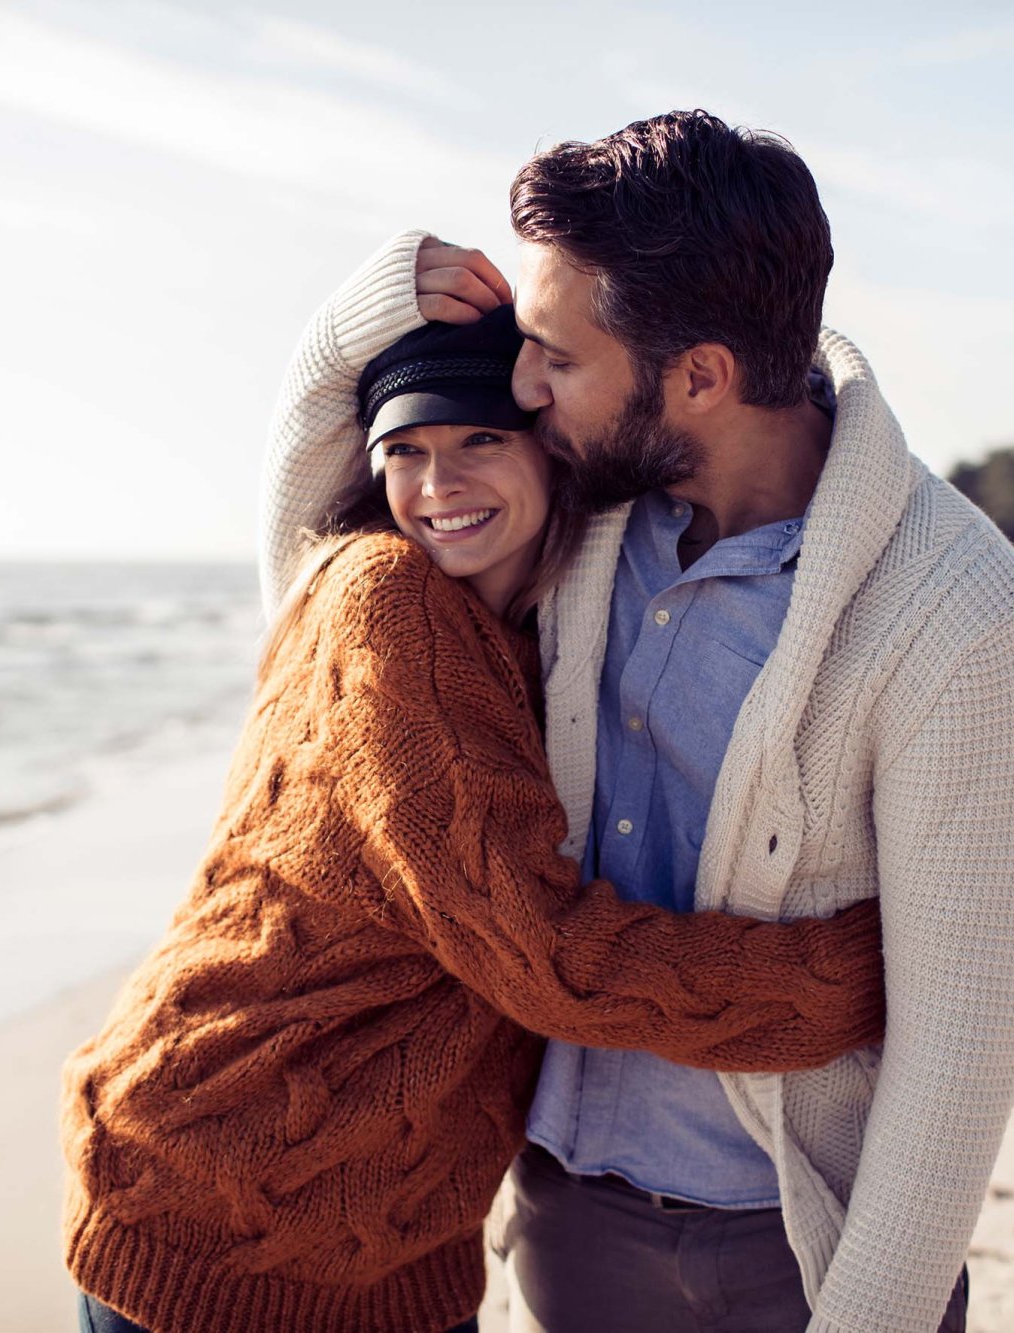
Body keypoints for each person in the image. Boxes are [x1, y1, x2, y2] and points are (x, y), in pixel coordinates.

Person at [263, 112, 1014, 1333]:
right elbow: (320, 608)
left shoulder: (957, 616)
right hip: (567, 1218)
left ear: (698, 374)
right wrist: (334, 349)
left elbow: (962, 1047)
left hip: (798, 1249)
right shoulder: (570, 518)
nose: (522, 388)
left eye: (555, 358)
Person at [60, 261, 892, 1333]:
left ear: (552, 448)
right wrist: (856, 974)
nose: (435, 486)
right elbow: (542, 957)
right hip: (218, 1205)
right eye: (401, 452)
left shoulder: (530, 625)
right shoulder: (385, 597)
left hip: (385, 1239)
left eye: (478, 441)